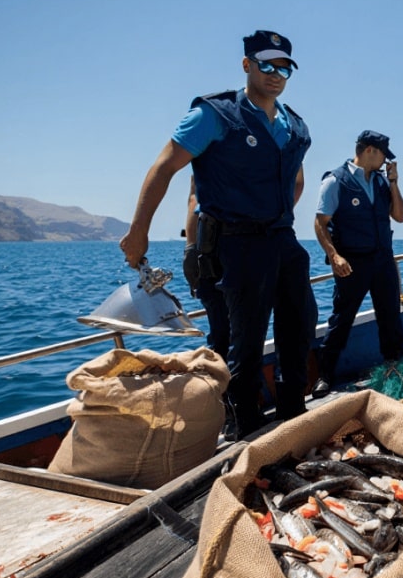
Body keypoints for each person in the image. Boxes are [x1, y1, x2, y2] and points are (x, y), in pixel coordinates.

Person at [120, 29, 317, 438]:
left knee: (300, 327)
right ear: (247, 65)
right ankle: (244, 430)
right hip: (236, 244)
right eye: (266, 65)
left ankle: (294, 416)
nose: (275, 74)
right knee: (243, 341)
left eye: (284, 67)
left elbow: (296, 179)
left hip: (282, 240)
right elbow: (164, 167)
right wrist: (139, 231)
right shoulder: (214, 114)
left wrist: (275, 215)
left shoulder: (295, 125)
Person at [311, 131, 403, 397]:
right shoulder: (335, 181)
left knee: (390, 316)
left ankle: (395, 367)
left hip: (382, 260)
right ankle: (325, 375)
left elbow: (399, 216)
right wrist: (334, 256)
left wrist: (394, 182)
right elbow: (320, 223)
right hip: (351, 262)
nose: (385, 162)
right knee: (342, 319)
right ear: (368, 151)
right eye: (383, 156)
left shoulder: (381, 182)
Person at [181, 179, 230, 358]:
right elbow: (194, 195)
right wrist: (191, 248)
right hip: (207, 256)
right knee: (222, 336)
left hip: (244, 249)